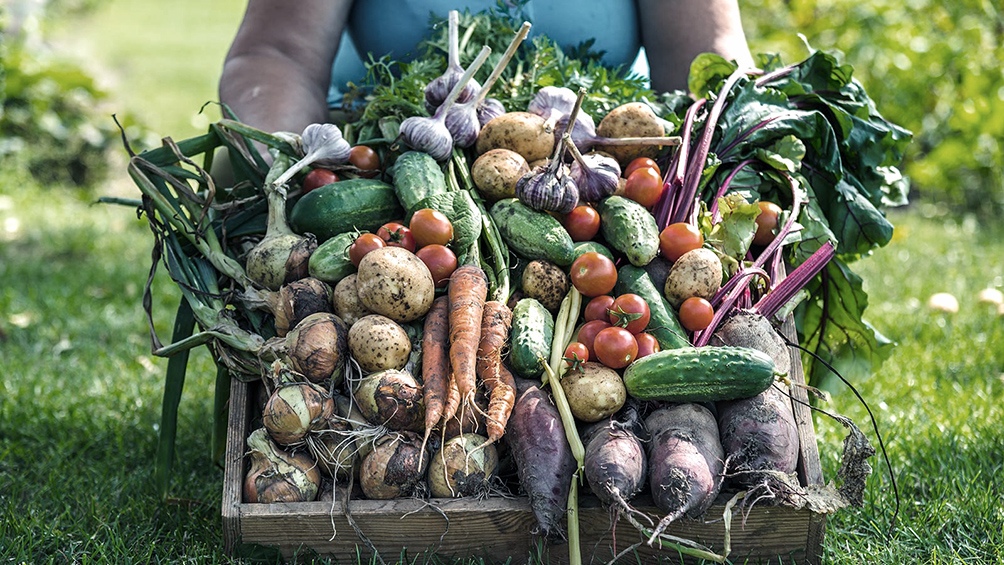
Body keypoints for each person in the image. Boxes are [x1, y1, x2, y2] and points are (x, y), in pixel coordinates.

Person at [218, 0, 753, 137]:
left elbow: (708, 66)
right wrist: (287, 161)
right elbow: (275, 56)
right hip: (386, 154)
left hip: (594, 162)